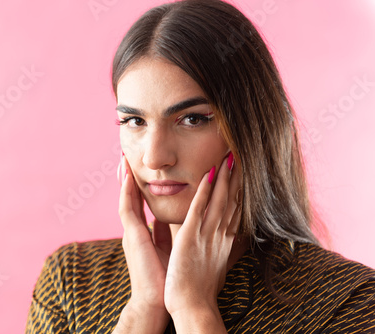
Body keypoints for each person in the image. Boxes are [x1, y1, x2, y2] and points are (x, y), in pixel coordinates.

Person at [25, 0, 375, 333]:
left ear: (251, 129)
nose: (154, 157)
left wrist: (195, 309)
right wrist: (143, 309)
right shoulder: (71, 280)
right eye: (134, 121)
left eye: (192, 119)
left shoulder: (349, 301)